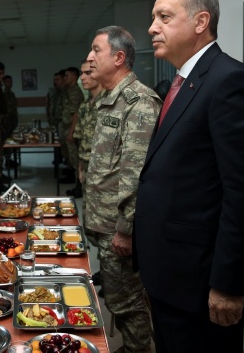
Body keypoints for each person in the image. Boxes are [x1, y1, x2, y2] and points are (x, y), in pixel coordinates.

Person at [134, 0, 244, 352]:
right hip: (169, 271)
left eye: (164, 17)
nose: (152, 27)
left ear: (201, 22)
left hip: (199, 278)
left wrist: (228, 284)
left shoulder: (230, 82)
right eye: (153, 18)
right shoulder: (185, 82)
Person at [85, 25, 161, 353]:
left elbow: (135, 174)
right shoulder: (109, 99)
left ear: (118, 57)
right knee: (118, 298)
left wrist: (125, 230)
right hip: (103, 222)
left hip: (119, 228)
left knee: (128, 303)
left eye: (96, 50)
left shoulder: (138, 102)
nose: (89, 58)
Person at [70, 61, 103, 204]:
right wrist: (80, 166)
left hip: (103, 170)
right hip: (86, 165)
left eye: (88, 73)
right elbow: (81, 139)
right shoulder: (84, 106)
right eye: (81, 73)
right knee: (87, 209)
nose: (82, 77)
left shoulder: (109, 104)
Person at [59, 66, 84, 186]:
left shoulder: (75, 92)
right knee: (71, 157)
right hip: (67, 127)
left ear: (74, 77)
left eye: (66, 76)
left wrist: (71, 132)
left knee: (75, 159)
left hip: (72, 128)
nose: (64, 78)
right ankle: (75, 182)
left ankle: (79, 186)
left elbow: (76, 114)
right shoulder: (69, 91)